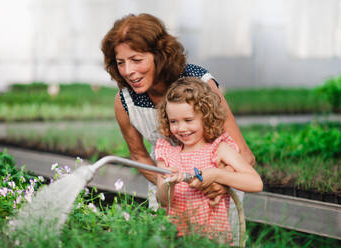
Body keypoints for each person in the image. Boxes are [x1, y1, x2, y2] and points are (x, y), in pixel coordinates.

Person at [101, 13, 255, 240]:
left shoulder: (197, 83)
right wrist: (172, 185)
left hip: (215, 194)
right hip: (170, 193)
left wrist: (219, 182)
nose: (128, 71)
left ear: (159, 55)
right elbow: (139, 155)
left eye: (136, 60)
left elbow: (243, 153)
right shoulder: (125, 101)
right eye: (120, 62)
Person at [155, 77, 263, 244]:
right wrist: (170, 183)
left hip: (214, 239)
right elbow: (163, 200)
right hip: (177, 239)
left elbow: (256, 183)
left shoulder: (219, 148)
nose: (181, 128)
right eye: (173, 122)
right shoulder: (168, 153)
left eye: (188, 120)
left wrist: (216, 174)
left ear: (205, 117)